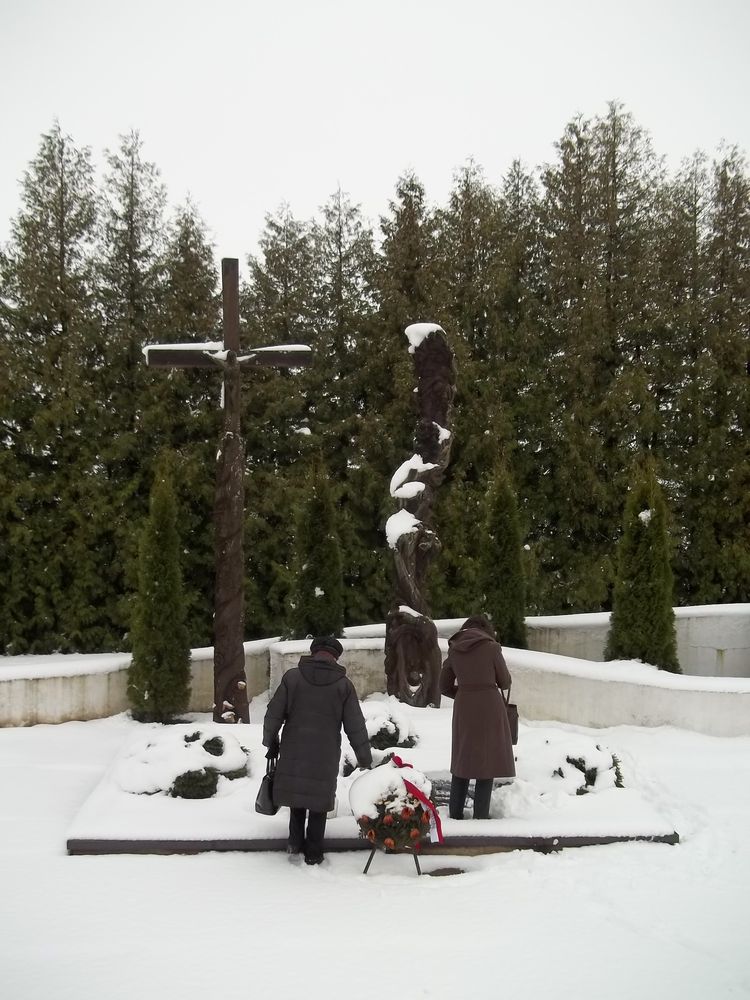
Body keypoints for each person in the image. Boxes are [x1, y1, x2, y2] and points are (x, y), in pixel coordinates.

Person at [262, 635, 372, 865]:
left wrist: (270, 741)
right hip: (325, 753)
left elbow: (274, 713)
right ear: (335, 656)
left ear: (314, 652)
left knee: (297, 796)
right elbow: (356, 725)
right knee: (318, 800)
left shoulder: (293, 678)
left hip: (294, 749)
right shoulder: (344, 686)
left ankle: (294, 842)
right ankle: (314, 852)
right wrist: (364, 756)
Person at [439, 615, 515, 820]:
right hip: (490, 706)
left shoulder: (454, 649)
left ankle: (455, 814)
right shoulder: (491, 647)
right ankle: (481, 816)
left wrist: (465, 693)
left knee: (462, 758)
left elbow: (443, 686)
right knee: (487, 760)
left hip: (464, 707)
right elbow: (505, 682)